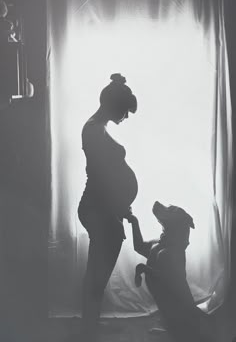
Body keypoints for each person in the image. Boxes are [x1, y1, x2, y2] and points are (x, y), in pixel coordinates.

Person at [78, 73, 138, 342]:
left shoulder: (98, 127)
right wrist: (118, 205)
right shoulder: (92, 129)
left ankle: (90, 325)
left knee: (98, 273)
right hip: (97, 207)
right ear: (113, 105)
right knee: (97, 273)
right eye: (124, 110)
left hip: (104, 207)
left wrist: (119, 205)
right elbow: (102, 176)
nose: (126, 116)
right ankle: (88, 329)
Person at [125, 201, 215, 342]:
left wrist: (142, 268)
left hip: (181, 314)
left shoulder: (171, 252)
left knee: (186, 331)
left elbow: (165, 280)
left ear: (175, 225)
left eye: (169, 210)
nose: (161, 206)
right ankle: (172, 328)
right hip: (170, 309)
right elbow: (139, 247)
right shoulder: (162, 245)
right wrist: (134, 222)